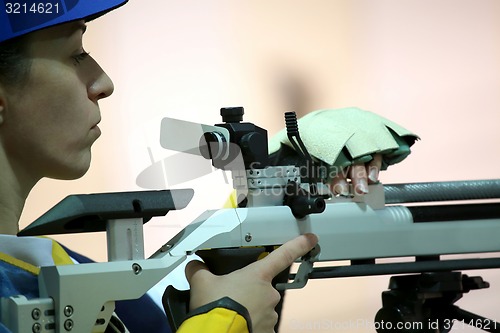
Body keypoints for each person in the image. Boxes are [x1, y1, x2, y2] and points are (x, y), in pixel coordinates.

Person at [0, 1, 414, 332]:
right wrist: (223, 322)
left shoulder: (49, 266)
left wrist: (267, 194)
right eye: (75, 54)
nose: (103, 82)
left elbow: (174, 307)